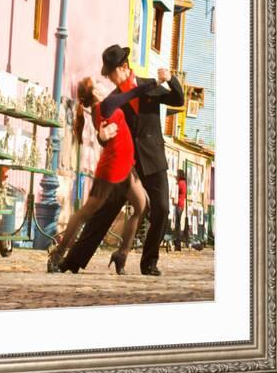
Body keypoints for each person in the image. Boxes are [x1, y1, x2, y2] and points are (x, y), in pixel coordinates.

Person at [59, 44, 184, 276]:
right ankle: (72, 261)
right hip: (128, 164)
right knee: (104, 212)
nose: (109, 78)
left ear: (124, 67)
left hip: (154, 159)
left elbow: (178, 100)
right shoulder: (115, 98)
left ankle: (148, 263)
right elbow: (105, 129)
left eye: (111, 72)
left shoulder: (149, 86)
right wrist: (101, 137)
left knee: (162, 209)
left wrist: (171, 78)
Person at [47, 75, 161, 275]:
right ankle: (58, 254)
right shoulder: (106, 105)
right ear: (95, 93)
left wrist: (103, 136)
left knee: (141, 206)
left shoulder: (97, 111)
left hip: (125, 166)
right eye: (98, 84)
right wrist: (154, 83)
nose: (102, 84)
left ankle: (121, 254)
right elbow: (132, 93)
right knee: (86, 213)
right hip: (112, 169)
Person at [173, 169, 187, 251]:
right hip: (181, 205)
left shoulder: (180, 183)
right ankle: (177, 243)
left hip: (179, 205)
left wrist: (176, 183)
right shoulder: (184, 183)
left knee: (177, 225)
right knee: (178, 224)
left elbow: (176, 191)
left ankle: (177, 243)